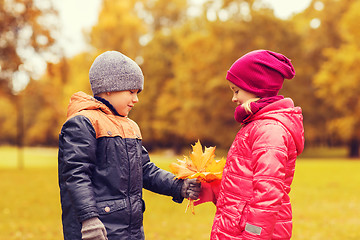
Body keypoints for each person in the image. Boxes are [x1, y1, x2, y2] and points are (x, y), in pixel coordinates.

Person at [58, 50, 201, 240]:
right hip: (97, 230)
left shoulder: (130, 126)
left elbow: (145, 170)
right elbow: (76, 175)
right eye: (131, 92)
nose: (136, 99)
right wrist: (89, 219)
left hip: (130, 231)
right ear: (109, 87)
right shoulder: (83, 122)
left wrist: (178, 187)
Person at [196, 50, 305, 239]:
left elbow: (268, 194)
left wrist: (254, 235)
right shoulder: (256, 124)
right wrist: (215, 188)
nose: (234, 98)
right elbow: (246, 182)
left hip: (250, 232)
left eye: (236, 90)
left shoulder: (269, 130)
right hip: (235, 227)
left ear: (257, 87)